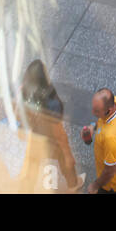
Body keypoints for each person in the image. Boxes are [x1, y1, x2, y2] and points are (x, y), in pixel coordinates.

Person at [21, 60, 84, 192]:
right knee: (63, 159)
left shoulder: (24, 91)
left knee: (32, 167)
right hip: (49, 141)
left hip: (31, 137)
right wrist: (68, 154)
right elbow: (59, 134)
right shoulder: (51, 102)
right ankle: (73, 184)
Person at [81, 88, 116, 193]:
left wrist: (95, 185)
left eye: (97, 111)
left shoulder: (111, 138)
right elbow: (102, 121)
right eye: (93, 108)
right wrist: (93, 127)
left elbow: (110, 172)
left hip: (115, 185)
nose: (93, 112)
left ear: (109, 110)